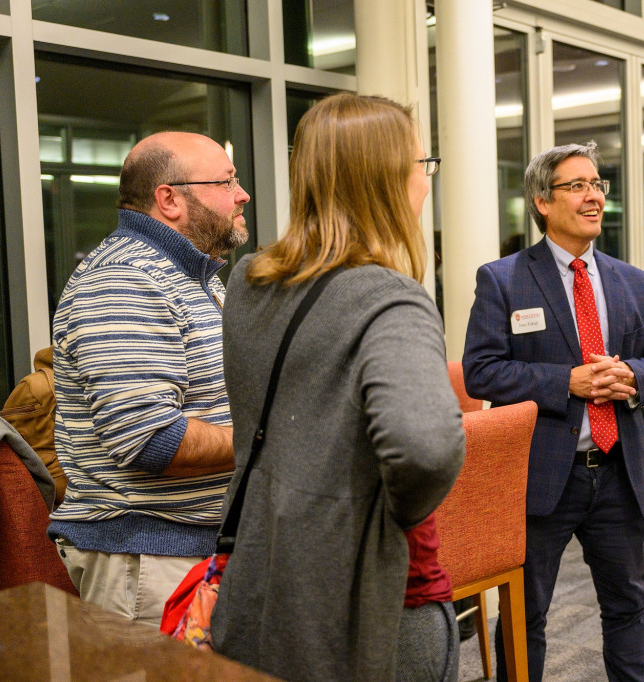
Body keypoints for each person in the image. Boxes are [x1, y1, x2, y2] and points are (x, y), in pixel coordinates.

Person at [211, 93, 465, 682]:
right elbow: (427, 447)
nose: (426, 184)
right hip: (373, 603)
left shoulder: (251, 281)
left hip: (266, 582)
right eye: (421, 167)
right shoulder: (391, 300)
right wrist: (390, 511)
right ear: (385, 181)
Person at [463, 141, 644, 682]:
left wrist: (632, 376)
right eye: (576, 186)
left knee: (628, 607)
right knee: (524, 612)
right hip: (540, 477)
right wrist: (567, 381)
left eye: (597, 185)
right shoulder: (503, 279)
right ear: (541, 201)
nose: (593, 197)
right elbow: (481, 372)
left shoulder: (636, 283)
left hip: (619, 474)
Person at [48, 131, 249, 626]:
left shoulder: (191, 276)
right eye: (225, 181)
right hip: (146, 563)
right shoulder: (124, 279)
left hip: (187, 551)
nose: (241, 194)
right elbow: (150, 440)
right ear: (170, 199)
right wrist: (269, 438)